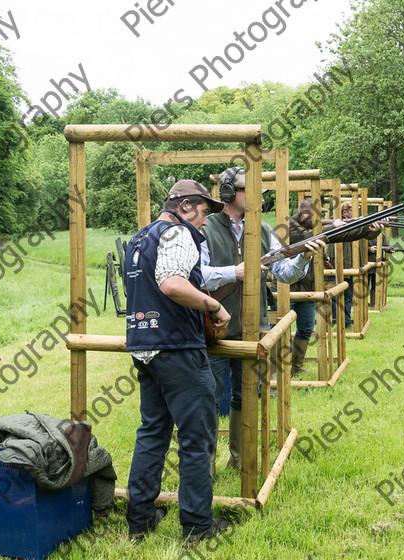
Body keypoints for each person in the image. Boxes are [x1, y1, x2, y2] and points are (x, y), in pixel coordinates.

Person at [124, 180, 232, 546]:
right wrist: (214, 305)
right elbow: (171, 284)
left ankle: (139, 521)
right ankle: (198, 527)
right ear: (186, 206)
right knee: (197, 440)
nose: (203, 222)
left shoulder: (139, 240)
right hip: (178, 351)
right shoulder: (178, 233)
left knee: (152, 435)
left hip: (144, 348)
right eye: (203, 212)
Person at [201, 167, 325, 470]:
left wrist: (304, 257)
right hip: (213, 329)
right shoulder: (205, 227)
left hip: (253, 329)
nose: (258, 198)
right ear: (228, 193)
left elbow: (284, 273)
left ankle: (240, 464)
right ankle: (202, 469)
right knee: (207, 403)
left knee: (247, 399)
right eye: (250, 191)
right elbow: (195, 276)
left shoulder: (263, 229)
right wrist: (235, 272)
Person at [289, 198, 383, 373]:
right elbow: (306, 238)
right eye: (318, 217)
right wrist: (334, 225)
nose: (321, 220)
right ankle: (276, 372)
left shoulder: (312, 227)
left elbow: (342, 235)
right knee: (282, 332)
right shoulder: (290, 226)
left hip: (308, 286)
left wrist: (367, 230)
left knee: (306, 328)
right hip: (286, 286)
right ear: (303, 215)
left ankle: (296, 366)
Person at [330, 201, 355, 329]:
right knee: (341, 296)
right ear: (345, 212)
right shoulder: (336, 226)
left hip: (346, 265)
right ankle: (341, 321)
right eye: (351, 210)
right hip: (337, 266)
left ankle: (346, 320)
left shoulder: (348, 225)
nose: (353, 212)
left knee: (348, 296)